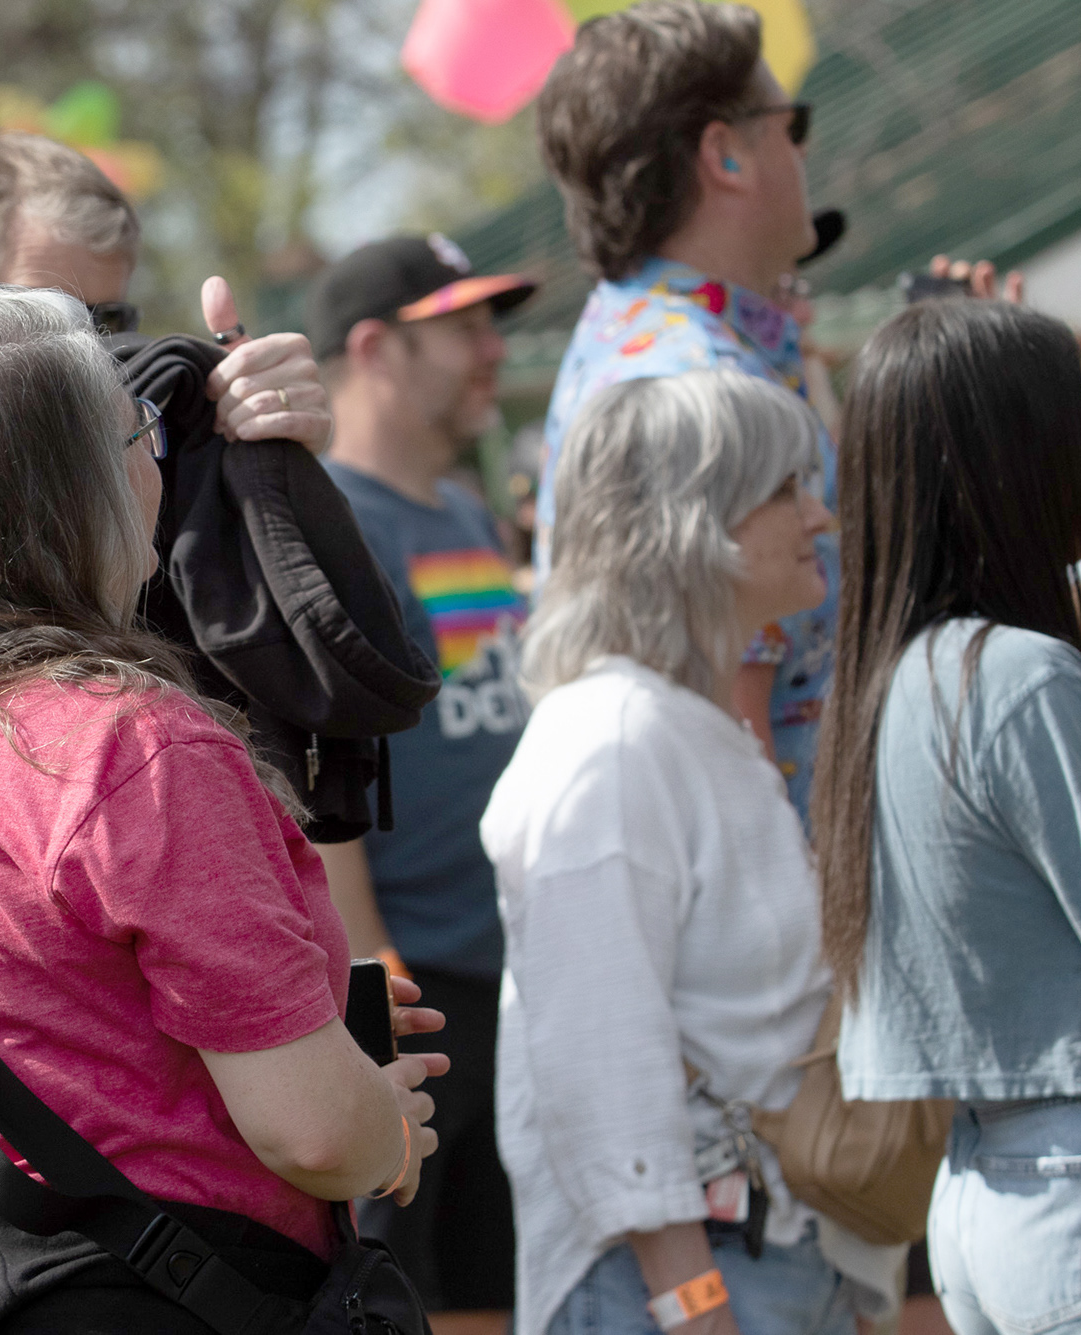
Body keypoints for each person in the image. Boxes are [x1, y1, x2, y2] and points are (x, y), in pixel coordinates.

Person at [0, 286, 449, 1332]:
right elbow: (314, 1134)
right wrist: (386, 1126)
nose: (156, 464)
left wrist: (296, 1004)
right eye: (137, 433)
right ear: (73, 491)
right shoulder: (131, 748)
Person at [482, 369, 855, 1335]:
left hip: (760, 1259)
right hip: (674, 1285)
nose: (820, 516)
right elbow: (603, 1060)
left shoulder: (679, 724)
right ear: (696, 520)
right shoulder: (610, 741)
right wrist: (694, 1308)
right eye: (788, 488)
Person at [813, 300, 1081, 1335]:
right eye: (1079, 421)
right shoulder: (1024, 678)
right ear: (1014, 456)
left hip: (986, 1187)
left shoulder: (893, 681)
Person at [305, 233, 536, 1335]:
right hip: (417, 989)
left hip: (510, 975)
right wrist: (372, 975)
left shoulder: (463, 511)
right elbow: (320, 776)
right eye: (465, 327)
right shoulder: (328, 529)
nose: (494, 351)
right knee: (407, 1293)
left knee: (493, 1282)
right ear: (375, 350)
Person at [532, 0, 835, 821]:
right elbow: (737, 711)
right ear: (725, 155)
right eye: (792, 125)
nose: (804, 150)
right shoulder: (703, 390)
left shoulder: (634, 336)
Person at [0, 129, 333, 455]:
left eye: (108, 324)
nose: (87, 351)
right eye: (46, 315)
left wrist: (270, 455)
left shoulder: (135, 450)